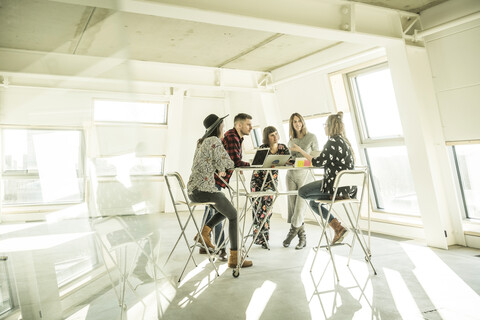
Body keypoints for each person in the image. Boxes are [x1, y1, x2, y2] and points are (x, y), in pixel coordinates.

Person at [188, 114, 253, 268]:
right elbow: (229, 163)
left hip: (193, 190)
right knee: (234, 215)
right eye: (222, 126)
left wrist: (221, 166)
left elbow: (208, 163)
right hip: (205, 190)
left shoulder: (201, 142)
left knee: (226, 209)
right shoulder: (214, 141)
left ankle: (204, 232)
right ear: (217, 127)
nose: (223, 129)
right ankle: (234, 258)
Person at [291, 111, 356, 244]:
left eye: (325, 125)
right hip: (347, 190)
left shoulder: (332, 142)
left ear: (331, 126)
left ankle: (339, 228)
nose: (324, 127)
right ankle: (338, 228)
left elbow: (316, 162)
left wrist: (301, 151)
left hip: (335, 188)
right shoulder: (345, 142)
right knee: (314, 203)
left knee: (302, 192)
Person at [250, 126, 290, 249]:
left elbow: (289, 160)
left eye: (276, 134)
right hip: (257, 181)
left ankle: (264, 238)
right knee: (257, 210)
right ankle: (260, 239)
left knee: (266, 209)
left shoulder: (282, 148)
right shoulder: (263, 148)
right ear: (267, 137)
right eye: (272, 135)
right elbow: (256, 164)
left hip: (271, 182)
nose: (275, 137)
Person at [284, 113, 319, 250]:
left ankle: (291, 233)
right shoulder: (291, 139)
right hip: (291, 174)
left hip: (305, 175)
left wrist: (299, 150)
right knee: (293, 207)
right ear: (292, 125)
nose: (297, 124)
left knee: (300, 207)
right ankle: (302, 238)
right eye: (294, 122)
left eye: (299, 121)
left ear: (303, 122)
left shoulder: (312, 137)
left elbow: (315, 158)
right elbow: (290, 157)